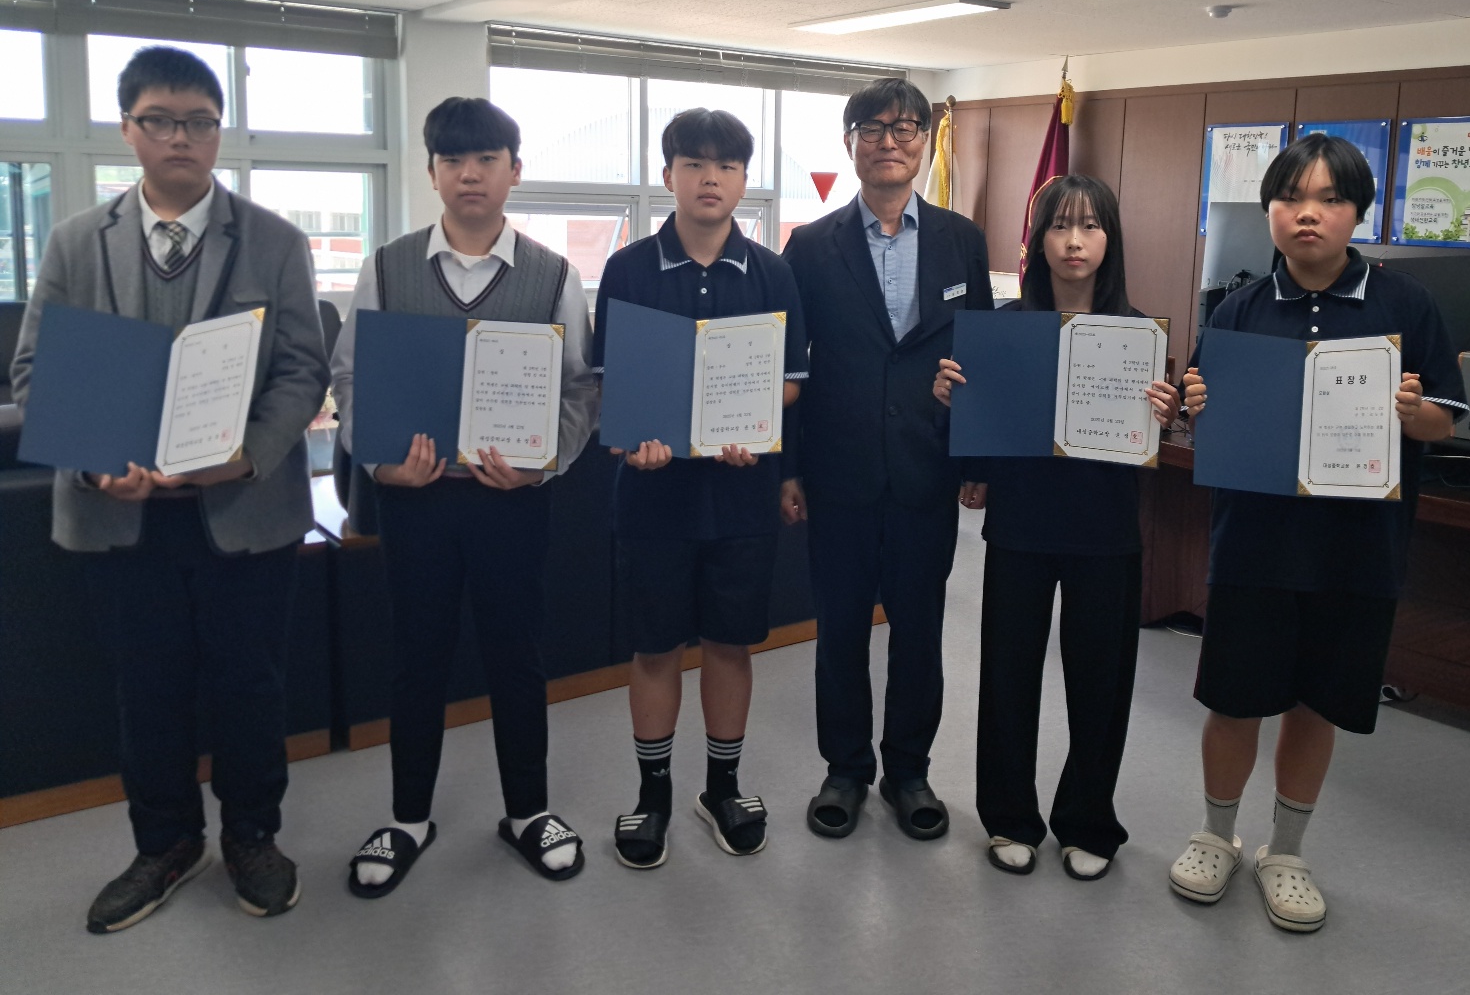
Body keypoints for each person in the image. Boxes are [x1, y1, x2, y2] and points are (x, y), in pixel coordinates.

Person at [9, 46, 330, 932]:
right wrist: (91, 458)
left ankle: (252, 836)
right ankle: (164, 844)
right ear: (128, 129)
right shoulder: (76, 242)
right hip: (122, 519)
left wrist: (247, 456)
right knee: (146, 691)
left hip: (243, 513)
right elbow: (35, 371)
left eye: (198, 122)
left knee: (250, 688)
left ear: (218, 133)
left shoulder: (274, 240)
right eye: (160, 120)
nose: (180, 137)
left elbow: (301, 371)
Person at [1169, 134, 1466, 932]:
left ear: (1357, 212)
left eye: (1331, 199)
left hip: (1355, 548)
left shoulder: (1405, 305)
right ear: (1269, 209)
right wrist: (1196, 405)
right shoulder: (1237, 309)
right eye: (1292, 197)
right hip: (1253, 543)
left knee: (1316, 704)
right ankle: (1216, 835)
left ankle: (1287, 852)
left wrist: (1412, 412)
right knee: (1234, 699)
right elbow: (1207, 418)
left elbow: (1445, 421)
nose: (1309, 214)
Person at [329, 97, 599, 894]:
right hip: (416, 502)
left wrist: (541, 465)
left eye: (486, 159)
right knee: (417, 660)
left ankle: (528, 811)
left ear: (514, 171)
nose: (469, 174)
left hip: (512, 501)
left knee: (517, 657)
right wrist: (381, 463)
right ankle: (409, 818)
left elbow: (579, 390)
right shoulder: (387, 266)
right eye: (453, 160)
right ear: (432, 172)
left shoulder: (554, 275)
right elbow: (351, 377)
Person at [933, 174, 1179, 879]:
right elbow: (985, 424)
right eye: (1060, 226)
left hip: (1106, 526)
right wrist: (954, 400)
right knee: (1008, 674)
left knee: (1101, 681)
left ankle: (1088, 821)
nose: (1075, 241)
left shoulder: (1137, 334)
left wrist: (1163, 415)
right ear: (1037, 240)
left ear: (1110, 239)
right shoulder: (1005, 327)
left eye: (1090, 226)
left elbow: (1150, 439)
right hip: (1022, 522)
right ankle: (1009, 817)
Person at [592, 108, 807, 869]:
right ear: (668, 176)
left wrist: (751, 423)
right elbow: (612, 388)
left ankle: (722, 788)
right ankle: (652, 795)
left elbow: (791, 383)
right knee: (654, 647)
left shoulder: (774, 272)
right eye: (693, 163)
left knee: (729, 642)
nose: (709, 178)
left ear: (744, 180)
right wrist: (635, 440)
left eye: (726, 165)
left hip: (741, 492)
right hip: (652, 495)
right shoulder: (627, 269)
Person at [781, 77, 994, 842]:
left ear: (925, 143)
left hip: (925, 468)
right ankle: (844, 770)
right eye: (872, 128)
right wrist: (788, 468)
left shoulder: (962, 240)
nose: (890, 141)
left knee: (919, 631)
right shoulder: (811, 246)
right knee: (839, 632)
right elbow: (790, 366)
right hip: (837, 472)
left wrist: (977, 459)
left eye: (906, 128)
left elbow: (981, 353)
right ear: (850, 144)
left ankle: (909, 770)